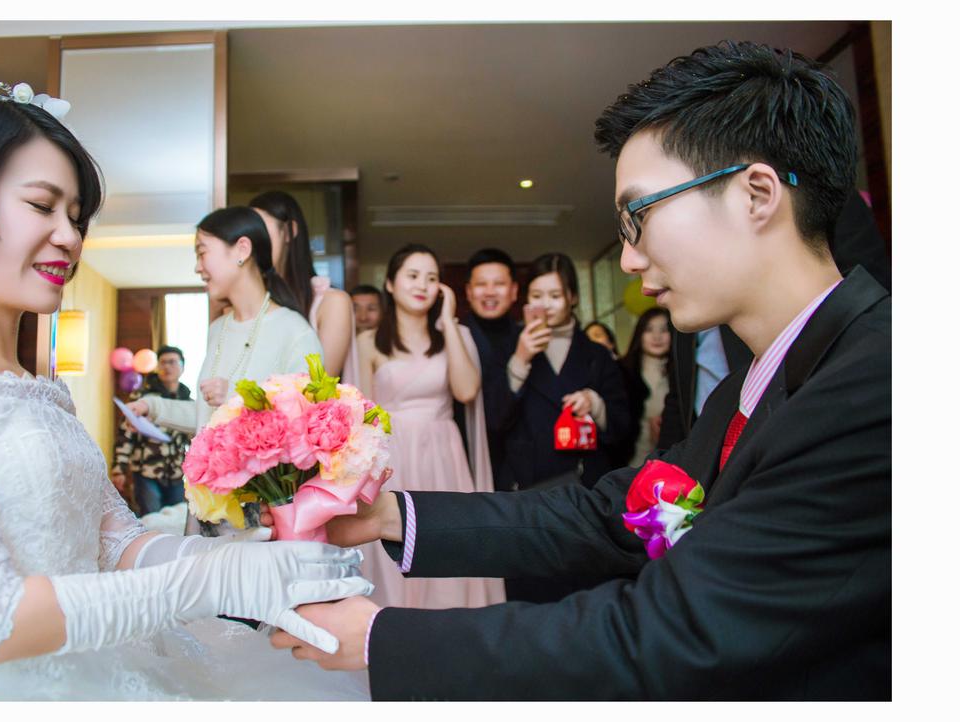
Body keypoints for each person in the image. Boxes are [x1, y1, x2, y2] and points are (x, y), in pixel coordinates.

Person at [269, 40, 891, 701]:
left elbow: (670, 631)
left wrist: (384, 638)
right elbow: (610, 515)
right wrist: (389, 515)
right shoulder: (753, 385)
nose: (628, 259)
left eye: (638, 216)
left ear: (756, 194)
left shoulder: (876, 384)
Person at [0, 86, 372, 700]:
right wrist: (209, 583)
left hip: (97, 666)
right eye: (41, 206)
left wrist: (233, 562)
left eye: (76, 218)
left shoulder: (44, 392)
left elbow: (119, 541)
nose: (69, 238)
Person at [657, 188, 891, 450]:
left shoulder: (823, 197)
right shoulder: (683, 300)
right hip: (717, 438)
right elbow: (681, 389)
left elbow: (862, 297)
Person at [353, 244, 504, 610]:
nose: (422, 285)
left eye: (432, 278)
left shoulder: (457, 335)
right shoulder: (368, 342)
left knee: (447, 539)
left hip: (443, 454)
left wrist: (449, 321)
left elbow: (466, 391)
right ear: (391, 284)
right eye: (413, 275)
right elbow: (361, 416)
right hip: (392, 457)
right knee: (395, 543)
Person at [129, 207, 323, 436]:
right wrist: (151, 406)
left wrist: (236, 398)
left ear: (242, 249)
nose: (197, 267)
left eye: (202, 253)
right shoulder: (218, 329)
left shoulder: (294, 331)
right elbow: (207, 416)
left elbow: (306, 422)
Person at [497, 252, 632, 492]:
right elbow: (495, 417)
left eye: (555, 296)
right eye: (536, 296)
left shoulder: (597, 354)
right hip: (525, 479)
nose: (545, 305)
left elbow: (622, 426)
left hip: (583, 479)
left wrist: (594, 402)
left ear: (573, 297)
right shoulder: (508, 345)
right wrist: (520, 359)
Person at [249, 191, 359, 387]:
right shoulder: (247, 304)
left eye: (262, 230)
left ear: (289, 230)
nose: (255, 242)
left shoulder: (331, 303)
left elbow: (320, 389)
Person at [461, 248, 522, 485]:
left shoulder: (527, 338)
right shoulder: (454, 337)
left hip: (520, 466)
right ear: (468, 291)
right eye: (481, 284)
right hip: (468, 458)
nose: (489, 292)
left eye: (499, 284)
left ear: (514, 291)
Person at [110, 346, 193, 516]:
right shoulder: (142, 399)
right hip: (146, 472)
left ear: (183, 367)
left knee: (177, 520)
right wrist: (119, 468)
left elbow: (194, 440)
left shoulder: (188, 402)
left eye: (172, 362)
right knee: (150, 521)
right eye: (163, 362)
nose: (167, 367)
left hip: (177, 474)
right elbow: (125, 434)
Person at [619, 308, 671, 466]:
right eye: (649, 330)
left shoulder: (684, 373)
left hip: (673, 460)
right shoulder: (622, 371)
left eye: (664, 330)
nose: (657, 337)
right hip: (632, 461)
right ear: (639, 334)